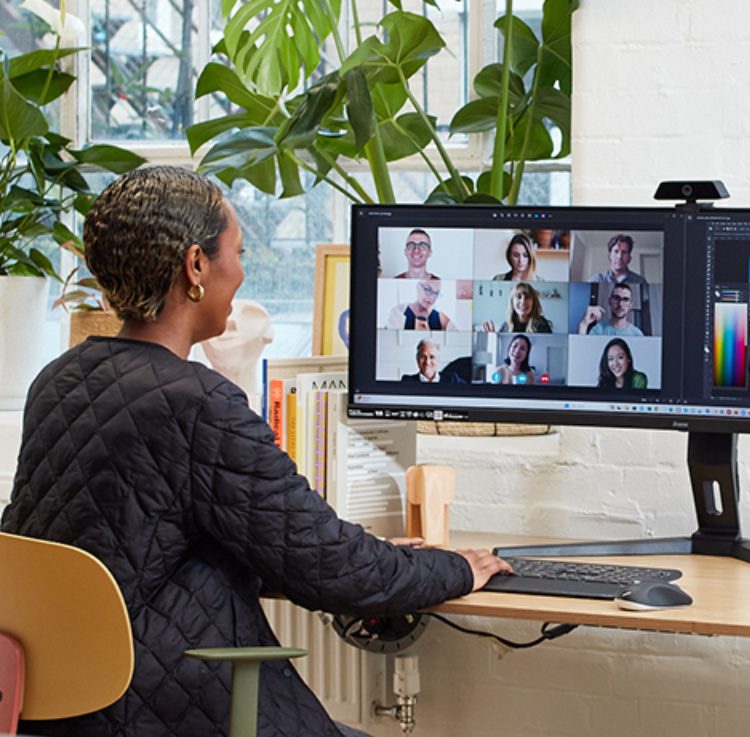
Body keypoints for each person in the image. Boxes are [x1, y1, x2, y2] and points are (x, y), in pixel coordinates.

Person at [0, 166, 510, 737]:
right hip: (164, 703)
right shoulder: (196, 402)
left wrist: (372, 553)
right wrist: (453, 568)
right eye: (236, 253)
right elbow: (329, 568)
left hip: (62, 708)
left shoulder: (60, 380)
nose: (242, 272)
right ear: (196, 266)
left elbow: (149, 546)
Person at [578, 282, 644, 336]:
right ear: (610, 301)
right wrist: (583, 324)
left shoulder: (637, 334)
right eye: (616, 298)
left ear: (630, 305)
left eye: (625, 299)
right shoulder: (598, 330)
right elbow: (582, 350)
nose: (620, 304)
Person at [389, 277, 455, 331]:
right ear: (418, 287)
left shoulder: (443, 320)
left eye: (436, 293)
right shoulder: (397, 313)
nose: (432, 297)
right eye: (428, 290)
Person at [483, 282, 553, 333]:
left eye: (527, 297)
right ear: (512, 302)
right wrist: (493, 339)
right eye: (518, 297)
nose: (523, 302)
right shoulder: (505, 327)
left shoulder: (542, 325)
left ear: (533, 302)